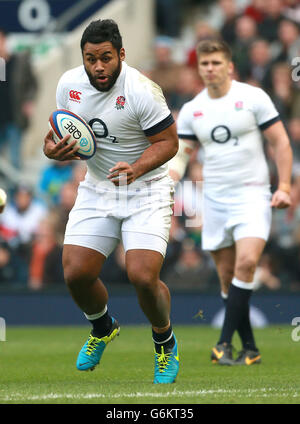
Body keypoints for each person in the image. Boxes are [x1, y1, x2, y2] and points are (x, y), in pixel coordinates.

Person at [43, 19, 179, 384]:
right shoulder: (69, 85)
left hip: (146, 188)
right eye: (90, 59)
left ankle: (164, 341)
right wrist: (52, 150)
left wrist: (136, 169)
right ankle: (103, 327)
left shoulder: (141, 90)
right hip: (99, 186)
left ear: (120, 54)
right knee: (75, 273)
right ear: (83, 58)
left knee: (142, 276)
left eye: (105, 58)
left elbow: (169, 142)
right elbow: (56, 132)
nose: (98, 67)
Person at [169, 39, 292, 365]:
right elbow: (182, 155)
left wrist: (285, 186)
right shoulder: (194, 109)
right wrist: (169, 181)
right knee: (227, 278)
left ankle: (223, 343)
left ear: (230, 66)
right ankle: (250, 348)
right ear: (199, 69)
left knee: (247, 264)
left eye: (216, 63)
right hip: (215, 200)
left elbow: (280, 142)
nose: (210, 69)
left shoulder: (252, 98)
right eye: (204, 64)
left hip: (252, 193)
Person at [0, 28, 38, 170]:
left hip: (14, 119)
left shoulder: (18, 61)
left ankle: (16, 192)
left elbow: (32, 84)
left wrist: (28, 101)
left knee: (14, 160)